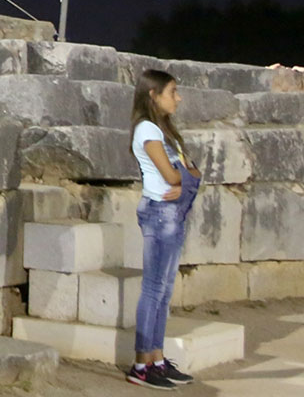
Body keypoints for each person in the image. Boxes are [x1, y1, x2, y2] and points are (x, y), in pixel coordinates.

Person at [126, 69, 201, 388]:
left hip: (171, 214)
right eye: (172, 92)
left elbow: (192, 170)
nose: (178, 98)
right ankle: (141, 364)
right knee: (154, 289)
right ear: (153, 95)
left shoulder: (163, 130)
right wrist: (184, 177)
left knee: (165, 290)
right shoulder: (146, 130)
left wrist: (184, 176)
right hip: (159, 213)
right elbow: (174, 177)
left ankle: (156, 359)